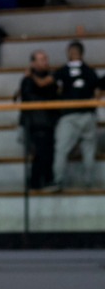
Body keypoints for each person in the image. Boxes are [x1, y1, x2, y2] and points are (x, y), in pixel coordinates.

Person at [50, 40, 101, 190]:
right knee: (88, 150)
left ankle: (58, 180)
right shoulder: (90, 71)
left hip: (69, 116)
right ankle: (89, 182)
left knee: (61, 149)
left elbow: (50, 85)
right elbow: (97, 94)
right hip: (88, 115)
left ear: (70, 52)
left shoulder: (62, 71)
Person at [18, 50, 58, 190]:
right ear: (33, 63)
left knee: (48, 153)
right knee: (39, 153)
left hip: (49, 123)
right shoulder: (27, 80)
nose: (45, 62)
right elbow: (30, 99)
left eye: (46, 59)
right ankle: (38, 182)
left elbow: (53, 95)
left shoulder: (52, 78)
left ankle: (45, 181)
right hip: (34, 124)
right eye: (41, 59)